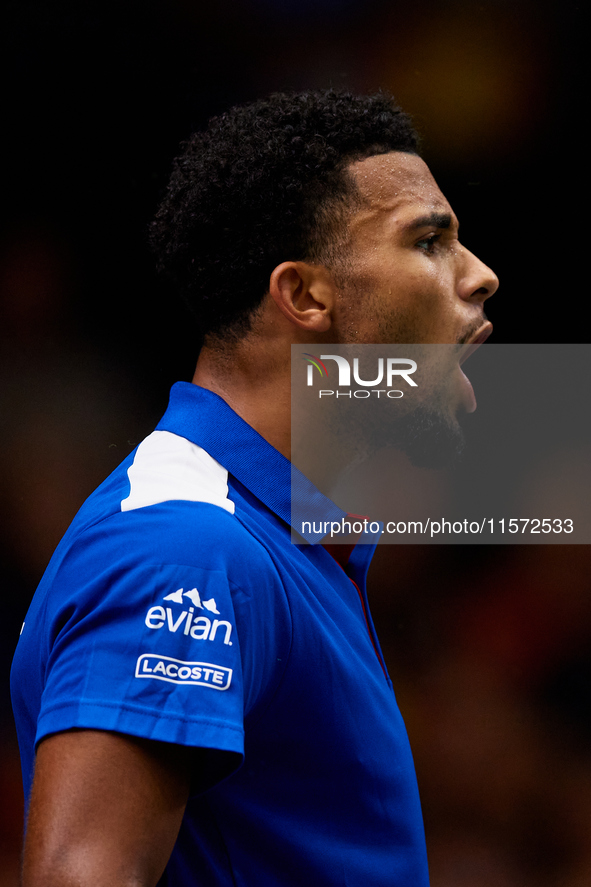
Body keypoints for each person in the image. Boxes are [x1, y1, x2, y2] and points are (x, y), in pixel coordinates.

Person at [11, 89, 498, 887]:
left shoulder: (277, 539)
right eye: (428, 240)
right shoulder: (184, 545)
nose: (479, 275)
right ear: (304, 295)